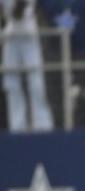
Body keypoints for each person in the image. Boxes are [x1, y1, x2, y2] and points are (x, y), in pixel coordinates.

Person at [1, 0, 53, 132]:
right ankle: (17, 125)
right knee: (11, 83)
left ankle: (43, 125)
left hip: (29, 33)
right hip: (11, 35)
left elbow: (20, 9)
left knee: (36, 82)